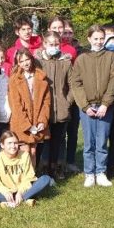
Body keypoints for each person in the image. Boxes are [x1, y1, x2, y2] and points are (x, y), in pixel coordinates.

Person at [71, 25, 114, 187]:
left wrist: (106, 104)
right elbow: (76, 84)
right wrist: (84, 106)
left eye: (101, 38)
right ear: (89, 39)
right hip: (87, 107)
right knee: (89, 141)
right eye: (95, 38)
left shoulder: (111, 57)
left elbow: (113, 81)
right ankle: (89, 173)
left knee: (102, 140)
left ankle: (101, 172)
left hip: (105, 106)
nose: (98, 42)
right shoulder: (81, 59)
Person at [0, 131, 55, 207]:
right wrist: (5, 191)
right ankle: (24, 200)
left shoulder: (24, 155)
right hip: (4, 192)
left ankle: (11, 201)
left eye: (15, 143)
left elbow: (28, 177)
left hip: (23, 190)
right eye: (9, 143)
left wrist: (20, 192)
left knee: (45, 179)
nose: (13, 146)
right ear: (2, 145)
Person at [35, 31, 73, 179]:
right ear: (44, 44)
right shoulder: (38, 62)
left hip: (61, 109)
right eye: (51, 44)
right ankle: (41, 169)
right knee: (43, 141)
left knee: (58, 140)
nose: (54, 47)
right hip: (43, 109)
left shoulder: (66, 62)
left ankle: (56, 169)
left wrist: (67, 101)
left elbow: (73, 84)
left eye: (56, 44)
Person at [7, 49, 51, 166]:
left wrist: (42, 121)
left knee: (33, 151)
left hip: (36, 120)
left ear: (32, 59)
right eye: (22, 61)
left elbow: (46, 102)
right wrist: (27, 125)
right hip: (22, 122)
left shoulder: (40, 77)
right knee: (24, 151)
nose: (26, 63)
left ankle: (32, 178)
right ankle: (23, 179)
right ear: (18, 63)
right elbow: (16, 105)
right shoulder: (14, 80)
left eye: (27, 60)